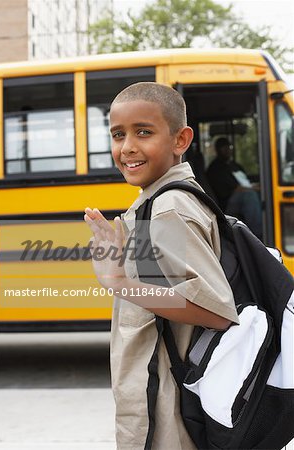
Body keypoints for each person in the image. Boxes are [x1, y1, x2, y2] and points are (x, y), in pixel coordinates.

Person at [84, 83, 238, 450]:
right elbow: (162, 298)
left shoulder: (169, 208)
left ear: (181, 139)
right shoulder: (154, 202)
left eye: (144, 132)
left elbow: (214, 310)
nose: (128, 148)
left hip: (167, 408)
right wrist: (124, 266)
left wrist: (119, 282)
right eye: (118, 134)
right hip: (158, 397)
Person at [206, 137, 262, 239]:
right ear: (217, 150)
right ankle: (257, 236)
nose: (227, 149)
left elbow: (246, 183)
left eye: (229, 146)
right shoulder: (215, 169)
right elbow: (234, 190)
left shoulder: (234, 165)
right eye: (224, 147)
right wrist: (253, 189)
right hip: (225, 203)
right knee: (249, 196)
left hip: (243, 191)